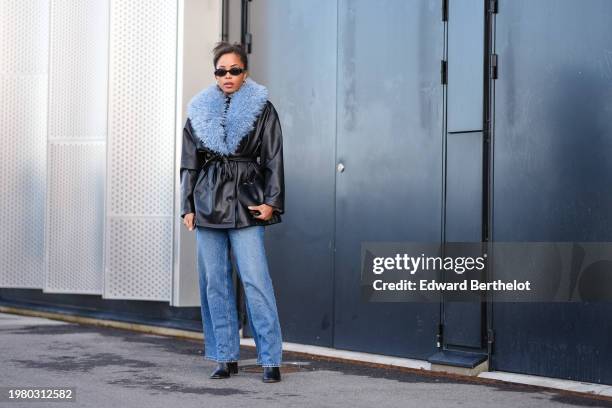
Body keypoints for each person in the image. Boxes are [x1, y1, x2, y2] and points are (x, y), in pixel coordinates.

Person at [179, 41, 284, 383]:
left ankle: (270, 359)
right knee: (215, 284)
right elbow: (189, 165)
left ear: (245, 72)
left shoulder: (262, 109)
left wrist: (272, 201)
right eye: (221, 71)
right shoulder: (199, 109)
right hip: (207, 203)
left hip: (247, 203)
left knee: (256, 281)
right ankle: (224, 356)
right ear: (215, 74)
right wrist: (187, 205)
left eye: (234, 70)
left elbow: (273, 158)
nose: (227, 76)